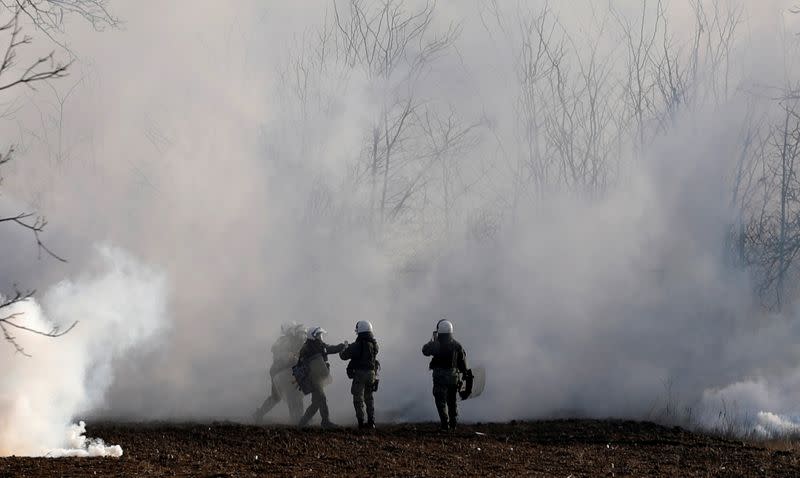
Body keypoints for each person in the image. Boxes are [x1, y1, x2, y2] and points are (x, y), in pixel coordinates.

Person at [253, 322, 307, 424]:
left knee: (288, 396)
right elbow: (283, 356)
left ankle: (299, 418)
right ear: (290, 330)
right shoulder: (284, 341)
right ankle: (297, 419)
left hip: (282, 372)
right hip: (279, 373)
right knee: (288, 395)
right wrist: (293, 358)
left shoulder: (289, 340)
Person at [422, 319, 469, 431]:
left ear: (440, 331)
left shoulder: (436, 345)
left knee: (440, 401)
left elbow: (425, 351)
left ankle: (445, 424)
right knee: (452, 401)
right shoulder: (457, 345)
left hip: (439, 377)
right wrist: (464, 375)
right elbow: (463, 364)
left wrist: (433, 340)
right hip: (453, 378)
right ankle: (453, 424)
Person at [296, 326, 347, 428]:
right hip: (315, 378)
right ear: (314, 336)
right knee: (322, 399)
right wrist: (343, 346)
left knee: (316, 403)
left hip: (312, 378)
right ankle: (325, 422)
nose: (321, 337)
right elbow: (331, 349)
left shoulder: (307, 346)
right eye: (319, 335)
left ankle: (302, 423)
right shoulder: (316, 346)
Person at [339, 320, 379, 429]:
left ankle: (361, 423)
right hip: (372, 374)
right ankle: (372, 422)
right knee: (369, 398)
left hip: (360, 374)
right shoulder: (374, 345)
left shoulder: (357, 345)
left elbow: (343, 356)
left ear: (360, 330)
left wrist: (344, 348)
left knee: (358, 399)